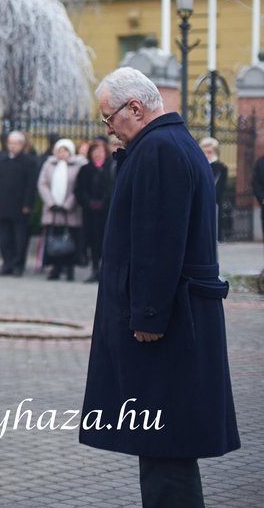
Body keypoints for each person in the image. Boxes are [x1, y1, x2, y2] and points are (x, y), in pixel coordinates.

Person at [81, 67, 238, 508]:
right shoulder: (168, 144)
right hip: (179, 316)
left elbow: (157, 240)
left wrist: (148, 314)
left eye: (109, 117)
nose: (108, 128)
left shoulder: (160, 150)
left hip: (166, 325)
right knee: (164, 448)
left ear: (135, 108)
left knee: (165, 449)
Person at [0, 131, 39, 276]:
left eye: (16, 143)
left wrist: (28, 204)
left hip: (20, 206)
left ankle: (18, 265)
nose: (12, 146)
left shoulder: (29, 162)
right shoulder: (0, 160)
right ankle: (7, 263)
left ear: (22, 145)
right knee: (4, 238)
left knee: (20, 238)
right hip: (3, 204)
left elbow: (31, 185)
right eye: (10, 143)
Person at [37, 138, 84, 281]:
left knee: (70, 240)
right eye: (60, 151)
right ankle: (55, 269)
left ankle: (69, 269)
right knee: (54, 239)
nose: (62, 154)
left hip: (70, 210)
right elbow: (42, 184)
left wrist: (68, 204)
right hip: (53, 209)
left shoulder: (78, 165)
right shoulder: (49, 165)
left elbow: (79, 186)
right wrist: (51, 202)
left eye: (65, 151)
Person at [75, 137, 114, 283]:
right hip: (90, 212)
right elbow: (79, 190)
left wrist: (103, 202)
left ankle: (105, 270)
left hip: (106, 212)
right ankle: (94, 269)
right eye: (95, 152)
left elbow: (113, 188)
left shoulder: (111, 167)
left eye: (100, 151)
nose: (97, 154)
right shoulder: (85, 169)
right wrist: (88, 202)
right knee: (92, 242)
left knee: (106, 241)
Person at [198, 137, 228, 241]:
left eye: (209, 152)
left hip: (213, 203)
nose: (206, 154)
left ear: (215, 152)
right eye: (204, 151)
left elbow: (219, 187)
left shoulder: (221, 167)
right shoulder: (198, 165)